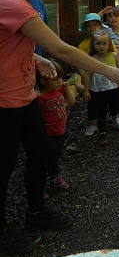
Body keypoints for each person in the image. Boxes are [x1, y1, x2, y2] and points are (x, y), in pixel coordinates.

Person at [0, 0, 119, 256]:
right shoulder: (11, 3)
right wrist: (108, 70)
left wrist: (35, 58)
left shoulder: (18, 0)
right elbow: (61, 49)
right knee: (3, 167)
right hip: (5, 101)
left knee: (42, 151)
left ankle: (35, 213)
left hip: (24, 94)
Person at [83, 29, 119, 146]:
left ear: (109, 43)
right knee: (101, 111)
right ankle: (102, 133)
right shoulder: (92, 59)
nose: (101, 46)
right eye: (98, 43)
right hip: (98, 91)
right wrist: (86, 91)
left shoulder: (114, 56)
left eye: (104, 43)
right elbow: (88, 75)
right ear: (93, 44)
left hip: (113, 88)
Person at [78, 13, 119, 135]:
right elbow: (79, 62)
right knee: (92, 101)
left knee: (112, 99)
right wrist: (83, 76)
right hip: (91, 77)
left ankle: (115, 117)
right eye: (89, 25)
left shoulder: (107, 40)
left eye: (95, 25)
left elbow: (114, 56)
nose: (92, 27)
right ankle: (92, 123)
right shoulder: (83, 44)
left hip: (108, 77)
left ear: (100, 26)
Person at [38, 61, 75, 194]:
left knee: (56, 156)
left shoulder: (59, 90)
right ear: (43, 81)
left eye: (61, 78)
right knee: (44, 159)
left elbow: (71, 102)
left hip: (61, 132)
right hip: (48, 135)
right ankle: (41, 184)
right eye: (55, 79)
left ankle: (54, 177)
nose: (60, 81)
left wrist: (67, 89)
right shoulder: (40, 98)